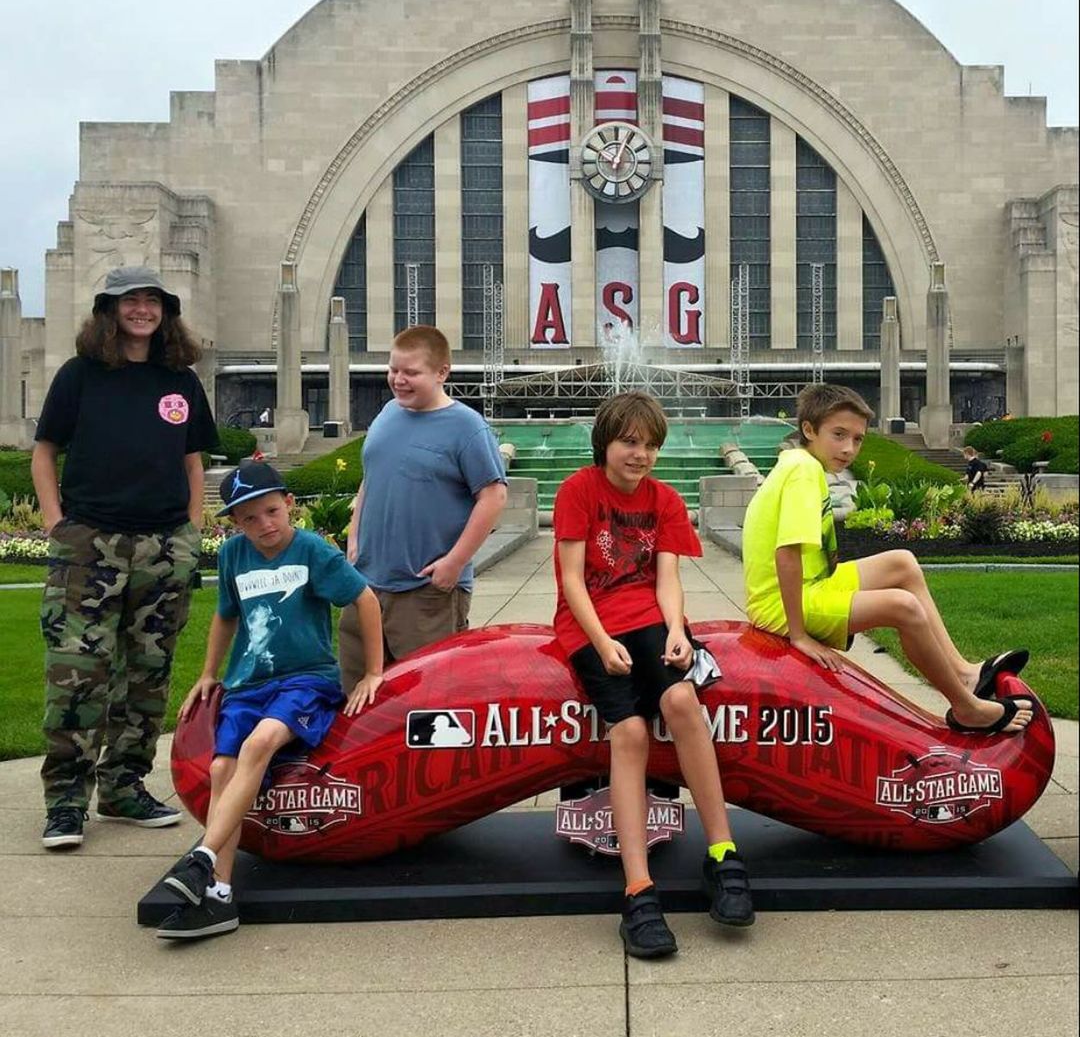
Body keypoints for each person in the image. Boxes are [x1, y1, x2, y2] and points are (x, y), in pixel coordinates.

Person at [553, 391, 754, 960]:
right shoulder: (578, 491)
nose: (640, 454)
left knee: (685, 704)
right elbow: (571, 579)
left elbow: (666, 578)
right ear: (606, 444)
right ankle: (638, 890)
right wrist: (600, 641)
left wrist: (675, 629)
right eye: (629, 442)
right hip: (589, 623)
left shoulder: (664, 499)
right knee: (631, 732)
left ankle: (723, 855)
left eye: (650, 445)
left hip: (648, 619)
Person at [156, 462, 384, 940]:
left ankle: (202, 856)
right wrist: (208, 675)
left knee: (260, 744)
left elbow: (363, 599)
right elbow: (225, 617)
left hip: (305, 681)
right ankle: (219, 894)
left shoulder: (311, 551)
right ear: (235, 523)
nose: (265, 525)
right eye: (250, 519)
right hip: (248, 683)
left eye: (272, 511)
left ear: (289, 505)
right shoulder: (234, 555)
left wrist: (373, 671)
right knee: (221, 770)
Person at [32, 265, 218, 849]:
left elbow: (194, 462)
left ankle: (123, 787)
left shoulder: (180, 381)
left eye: (152, 301)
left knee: (148, 674)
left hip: (164, 547)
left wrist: (190, 529)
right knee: (77, 674)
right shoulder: (80, 376)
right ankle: (65, 802)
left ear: (166, 312)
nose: (141, 310)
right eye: (129, 301)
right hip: (90, 542)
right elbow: (45, 451)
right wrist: (55, 522)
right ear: (108, 310)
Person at [742, 384, 1032, 735]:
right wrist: (800, 636)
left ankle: (965, 673)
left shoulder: (802, 464)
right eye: (838, 435)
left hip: (811, 586)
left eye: (858, 439)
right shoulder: (803, 472)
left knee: (902, 563)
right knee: (903, 606)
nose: (849, 448)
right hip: (783, 605)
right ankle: (966, 707)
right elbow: (786, 554)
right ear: (808, 429)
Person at [339, 325, 507, 689]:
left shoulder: (467, 428)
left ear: (442, 372)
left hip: (426, 592)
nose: (398, 380)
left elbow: (494, 497)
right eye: (393, 370)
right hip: (366, 585)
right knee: (354, 699)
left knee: (426, 703)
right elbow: (371, 477)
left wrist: (455, 562)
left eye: (410, 372)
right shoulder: (387, 413)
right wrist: (354, 537)